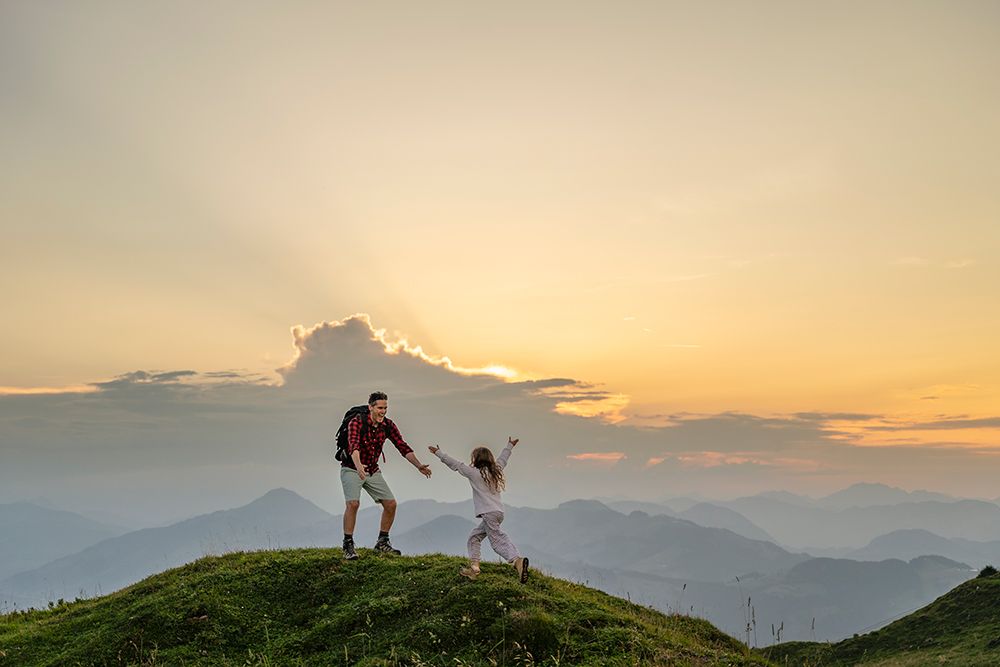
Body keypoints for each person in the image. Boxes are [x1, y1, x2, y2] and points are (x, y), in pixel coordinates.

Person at [341, 391, 432, 559]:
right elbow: (353, 445)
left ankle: (382, 542)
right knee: (353, 504)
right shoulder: (357, 422)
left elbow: (402, 446)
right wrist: (358, 465)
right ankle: (348, 545)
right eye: (380, 408)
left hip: (372, 470)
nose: (383, 411)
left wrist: (418, 465)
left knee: (391, 504)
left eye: (385, 408)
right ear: (371, 407)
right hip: (352, 468)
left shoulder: (387, 425)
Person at [428, 436, 528, 583]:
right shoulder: (496, 470)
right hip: (498, 512)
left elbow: (455, 464)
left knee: (496, 540)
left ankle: (516, 560)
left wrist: (439, 453)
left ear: (476, 459)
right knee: (474, 537)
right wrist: (509, 446)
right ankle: (474, 567)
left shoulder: (474, 473)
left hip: (488, 513)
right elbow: (503, 458)